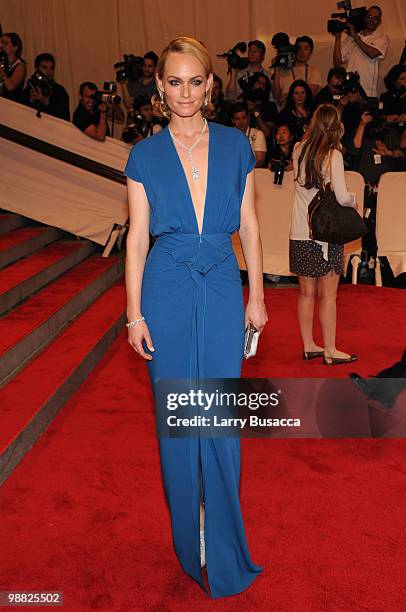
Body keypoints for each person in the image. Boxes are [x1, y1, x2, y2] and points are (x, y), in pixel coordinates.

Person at [124, 36, 267, 598]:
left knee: (221, 423)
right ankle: (193, 537)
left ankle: (226, 541)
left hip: (222, 286)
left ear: (211, 84)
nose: (186, 92)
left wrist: (256, 295)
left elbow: (250, 226)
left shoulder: (236, 146)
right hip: (166, 287)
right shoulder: (143, 155)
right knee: (181, 421)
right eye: (174, 81)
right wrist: (133, 315)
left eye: (196, 81)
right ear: (160, 87)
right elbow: (137, 238)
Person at [289, 104, 358, 365]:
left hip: (299, 232)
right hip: (325, 236)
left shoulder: (298, 149)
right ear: (336, 127)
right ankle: (330, 349)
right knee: (329, 295)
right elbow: (341, 197)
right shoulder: (333, 155)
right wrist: (353, 200)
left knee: (306, 293)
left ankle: (309, 345)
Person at [333, 5, 389, 97]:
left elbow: (372, 53)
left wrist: (355, 37)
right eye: (369, 16)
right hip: (349, 90)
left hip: (367, 91)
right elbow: (337, 62)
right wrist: (337, 38)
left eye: (375, 18)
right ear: (365, 18)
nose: (371, 20)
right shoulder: (352, 37)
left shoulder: (382, 37)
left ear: (379, 22)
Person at [272, 36, 322, 107]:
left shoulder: (313, 70)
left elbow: (309, 96)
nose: (302, 52)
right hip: (284, 112)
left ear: (310, 53)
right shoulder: (282, 70)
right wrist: (276, 69)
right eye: (299, 48)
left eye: (306, 49)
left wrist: (287, 96)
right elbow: (276, 96)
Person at [22, 53, 70, 120]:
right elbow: (21, 113)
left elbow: (63, 118)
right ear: (36, 69)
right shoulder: (30, 87)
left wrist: (46, 102)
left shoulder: (59, 91)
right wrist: (30, 101)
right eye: (44, 67)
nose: (48, 71)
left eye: (51, 68)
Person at [278, 79, 313, 144]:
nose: (300, 96)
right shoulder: (284, 114)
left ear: (306, 94)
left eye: (303, 92)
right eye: (296, 93)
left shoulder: (313, 111)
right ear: (291, 96)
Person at [232, 102, 267, 167]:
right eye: (237, 119)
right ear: (232, 120)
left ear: (248, 118)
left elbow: (260, 161)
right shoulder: (228, 135)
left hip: (254, 173)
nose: (241, 122)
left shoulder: (258, 134)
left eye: (243, 118)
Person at [0, 32, 26, 103]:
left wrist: (1, 71)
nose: (1, 46)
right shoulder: (2, 62)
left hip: (13, 106)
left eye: (5, 43)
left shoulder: (20, 66)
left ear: (15, 47)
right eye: (1, 42)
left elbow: (10, 87)